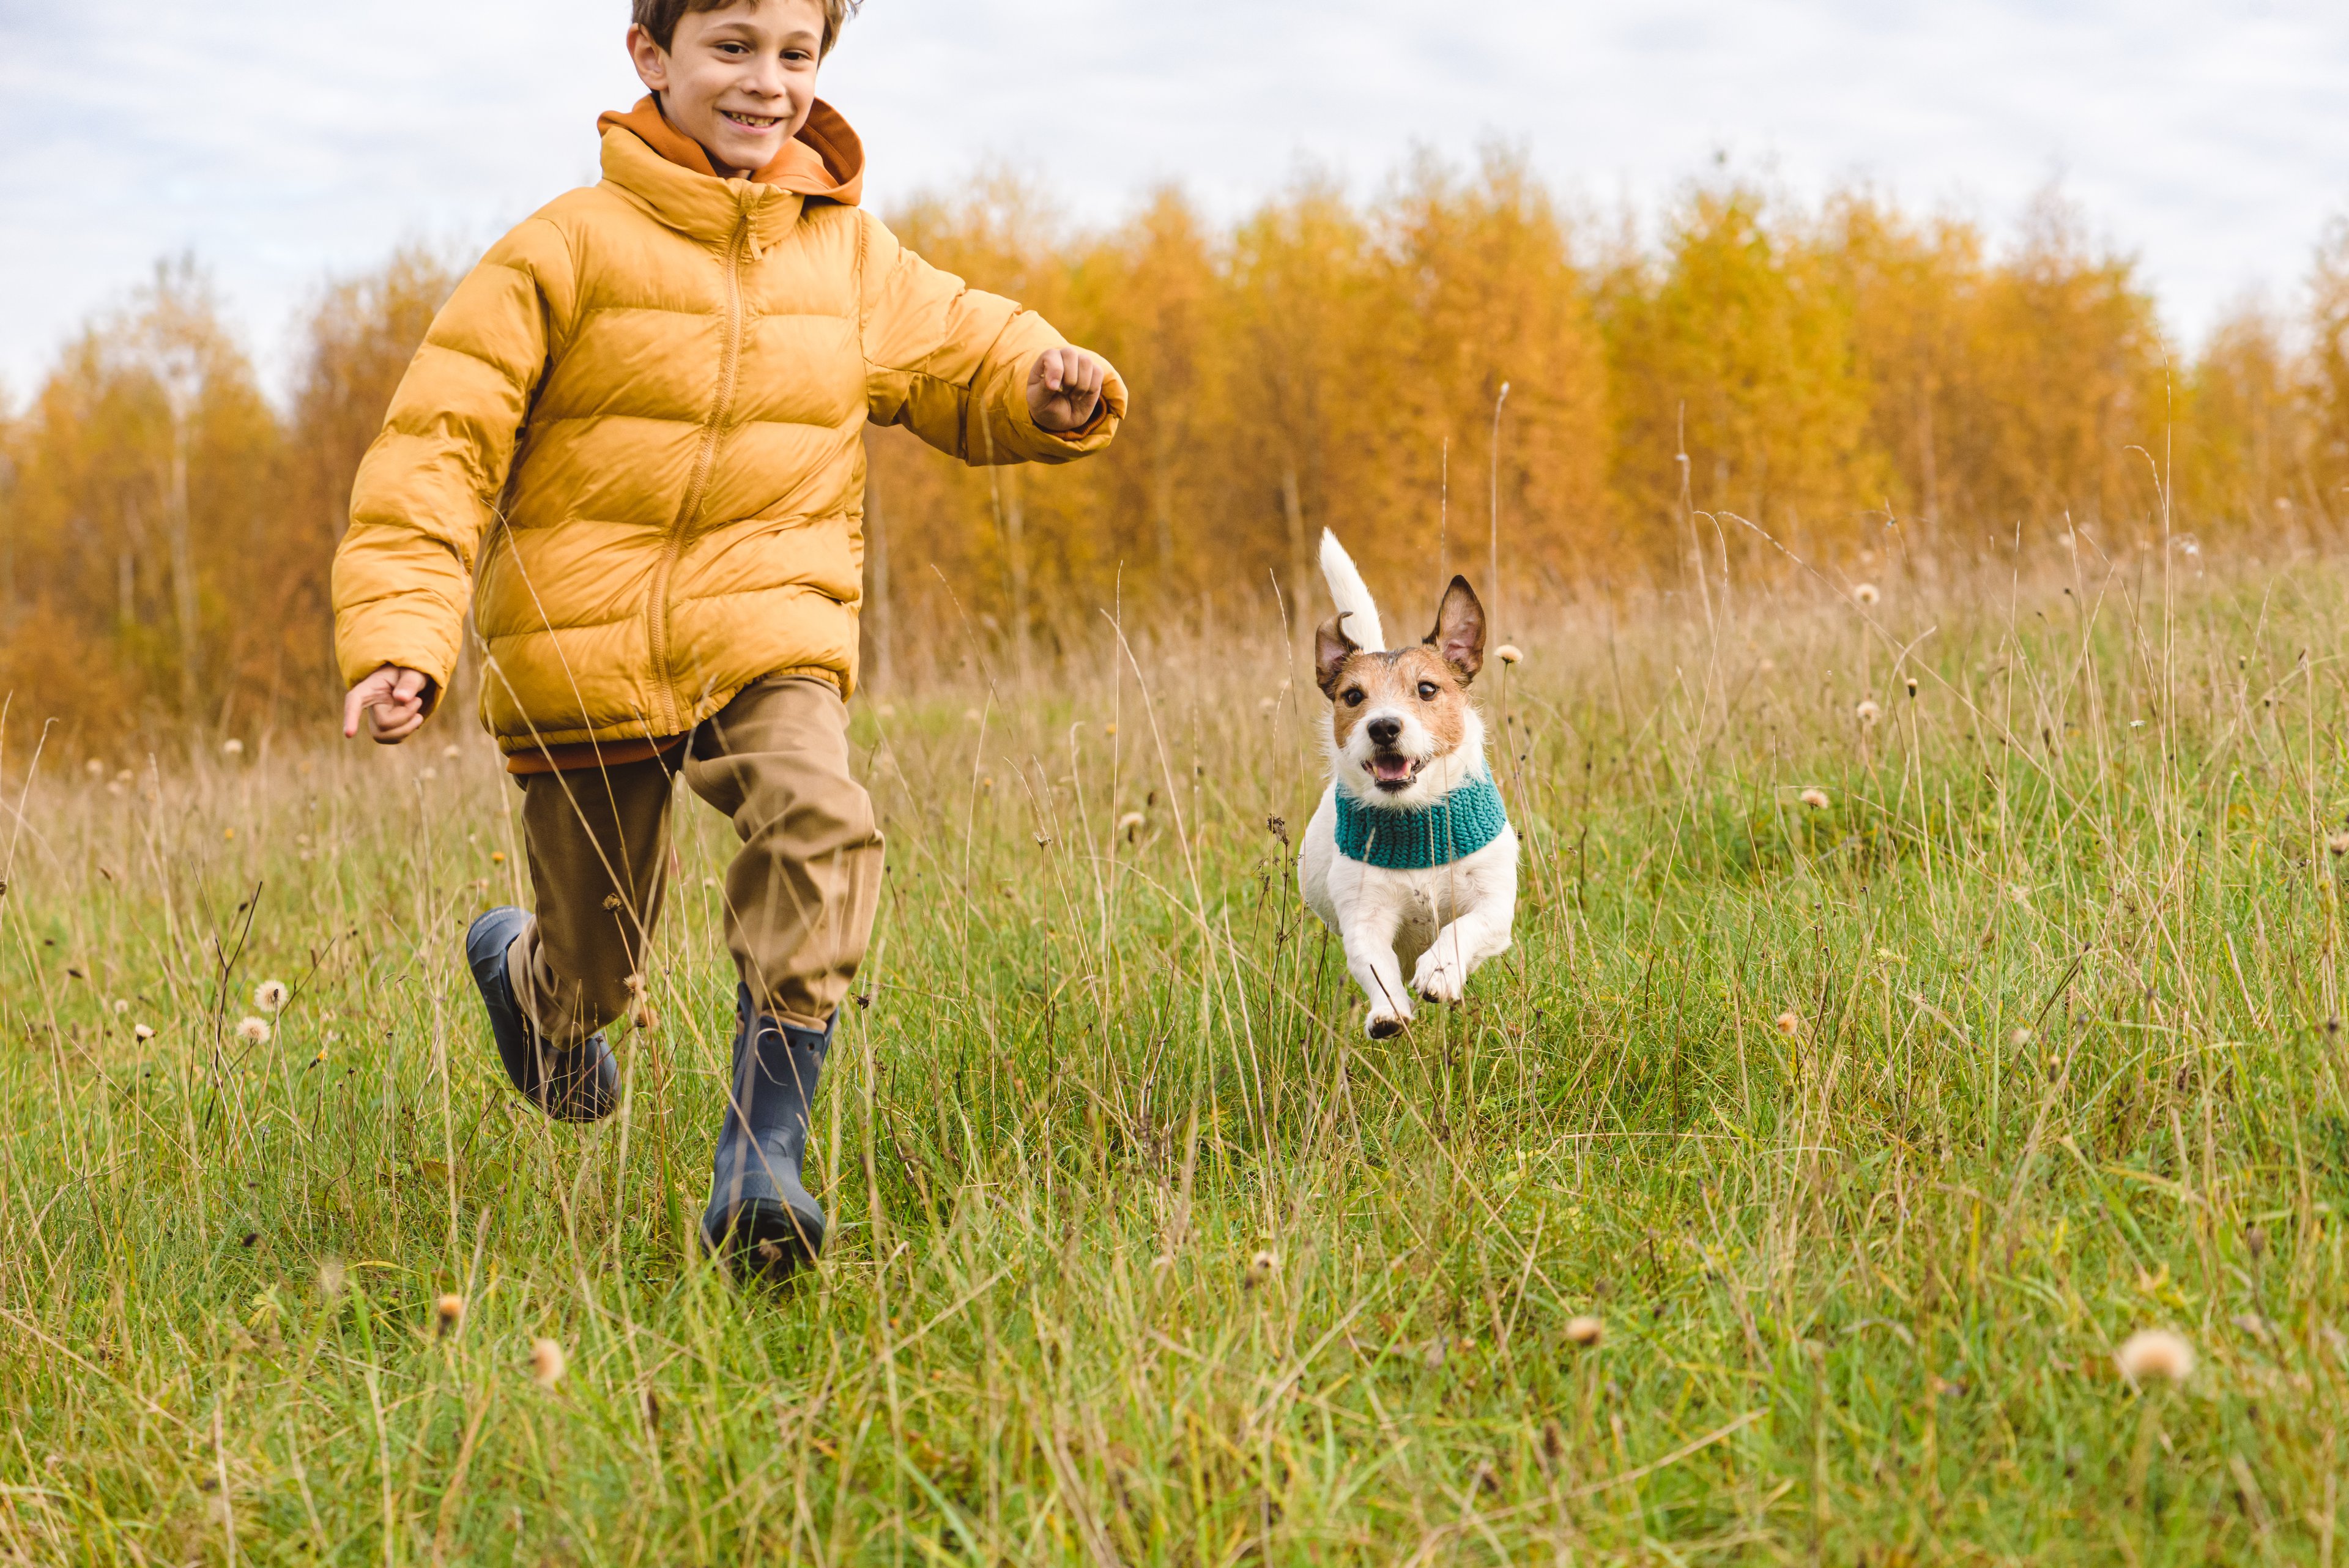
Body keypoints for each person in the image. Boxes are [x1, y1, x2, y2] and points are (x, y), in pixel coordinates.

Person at [329, 0, 1124, 1274]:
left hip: (772, 630)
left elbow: (960, 342)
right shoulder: (562, 250)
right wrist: (401, 635)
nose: (767, 83)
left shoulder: (849, 257)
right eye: (732, 46)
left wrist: (1041, 380)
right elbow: (438, 448)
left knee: (824, 817)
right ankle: (530, 980)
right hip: (585, 655)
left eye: (796, 53)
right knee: (596, 971)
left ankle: (763, 1156)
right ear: (651, 56)